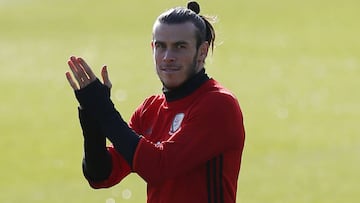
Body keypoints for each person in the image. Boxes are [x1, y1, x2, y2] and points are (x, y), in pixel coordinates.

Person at [65, 1, 245, 202]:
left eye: (180, 47)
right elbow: (101, 175)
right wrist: (92, 120)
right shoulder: (150, 109)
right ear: (152, 49)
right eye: (161, 46)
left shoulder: (218, 105)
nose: (168, 57)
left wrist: (104, 112)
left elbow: (159, 167)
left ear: (201, 52)